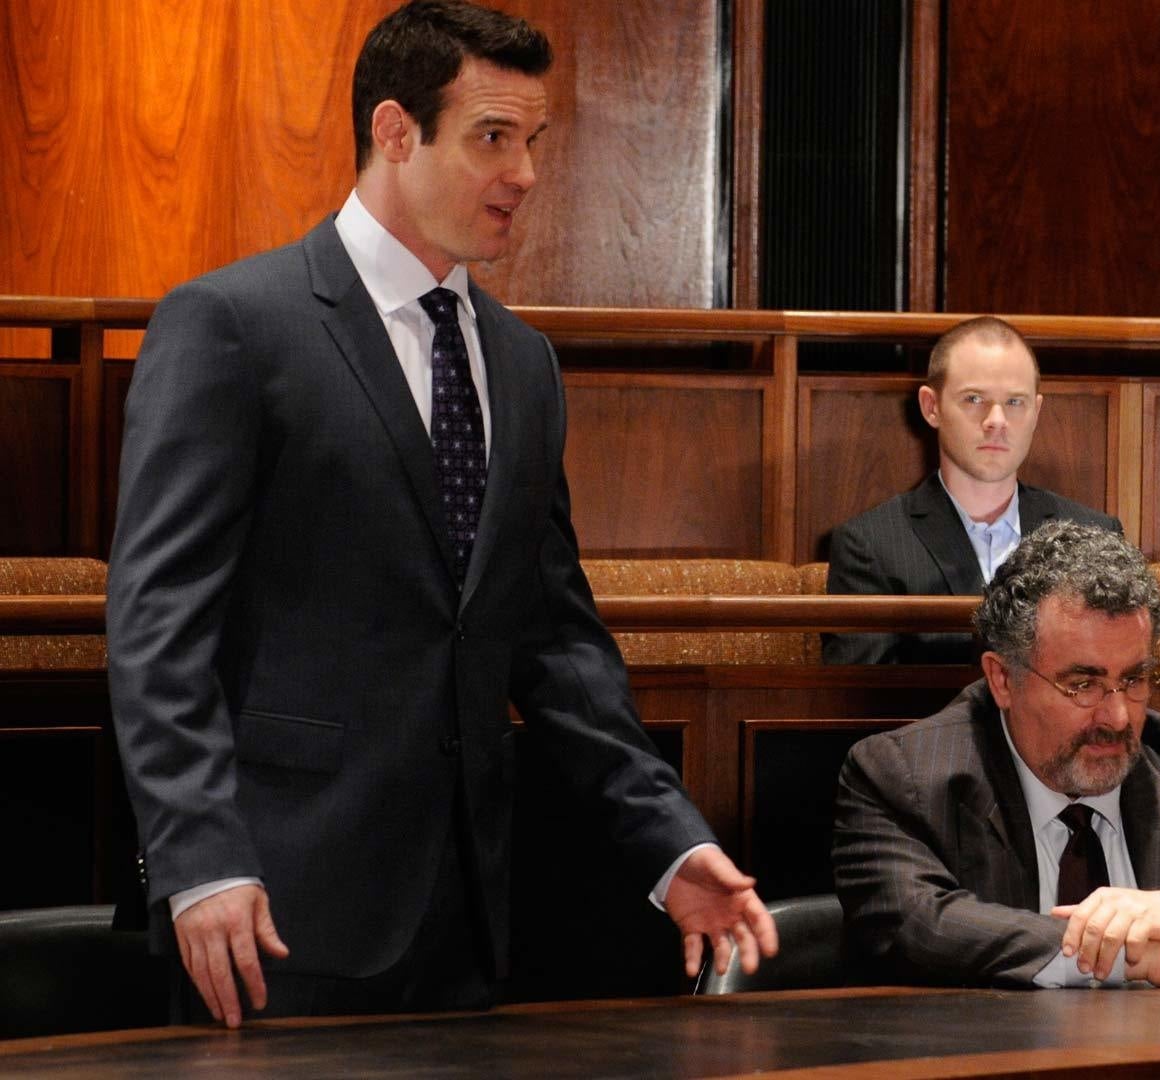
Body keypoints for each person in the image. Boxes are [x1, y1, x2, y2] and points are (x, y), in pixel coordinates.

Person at [107, 0, 774, 1027]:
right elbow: (158, 625)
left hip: (469, 918)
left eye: (534, 141)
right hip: (269, 910)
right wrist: (199, 859)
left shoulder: (522, 362)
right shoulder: (233, 325)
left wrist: (670, 842)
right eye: (493, 138)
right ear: (393, 131)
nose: (526, 174)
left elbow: (555, 642)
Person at [833, 520, 1160, 988]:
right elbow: (918, 925)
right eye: (1083, 685)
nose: (1117, 717)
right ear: (1002, 679)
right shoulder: (902, 776)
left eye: (1134, 680)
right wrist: (1137, 959)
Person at [823, 317, 1120, 665]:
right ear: (931, 407)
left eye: (1015, 402)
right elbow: (860, 694)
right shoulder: (868, 545)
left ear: (1037, 411)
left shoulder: (1097, 535)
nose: (997, 420)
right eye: (974, 398)